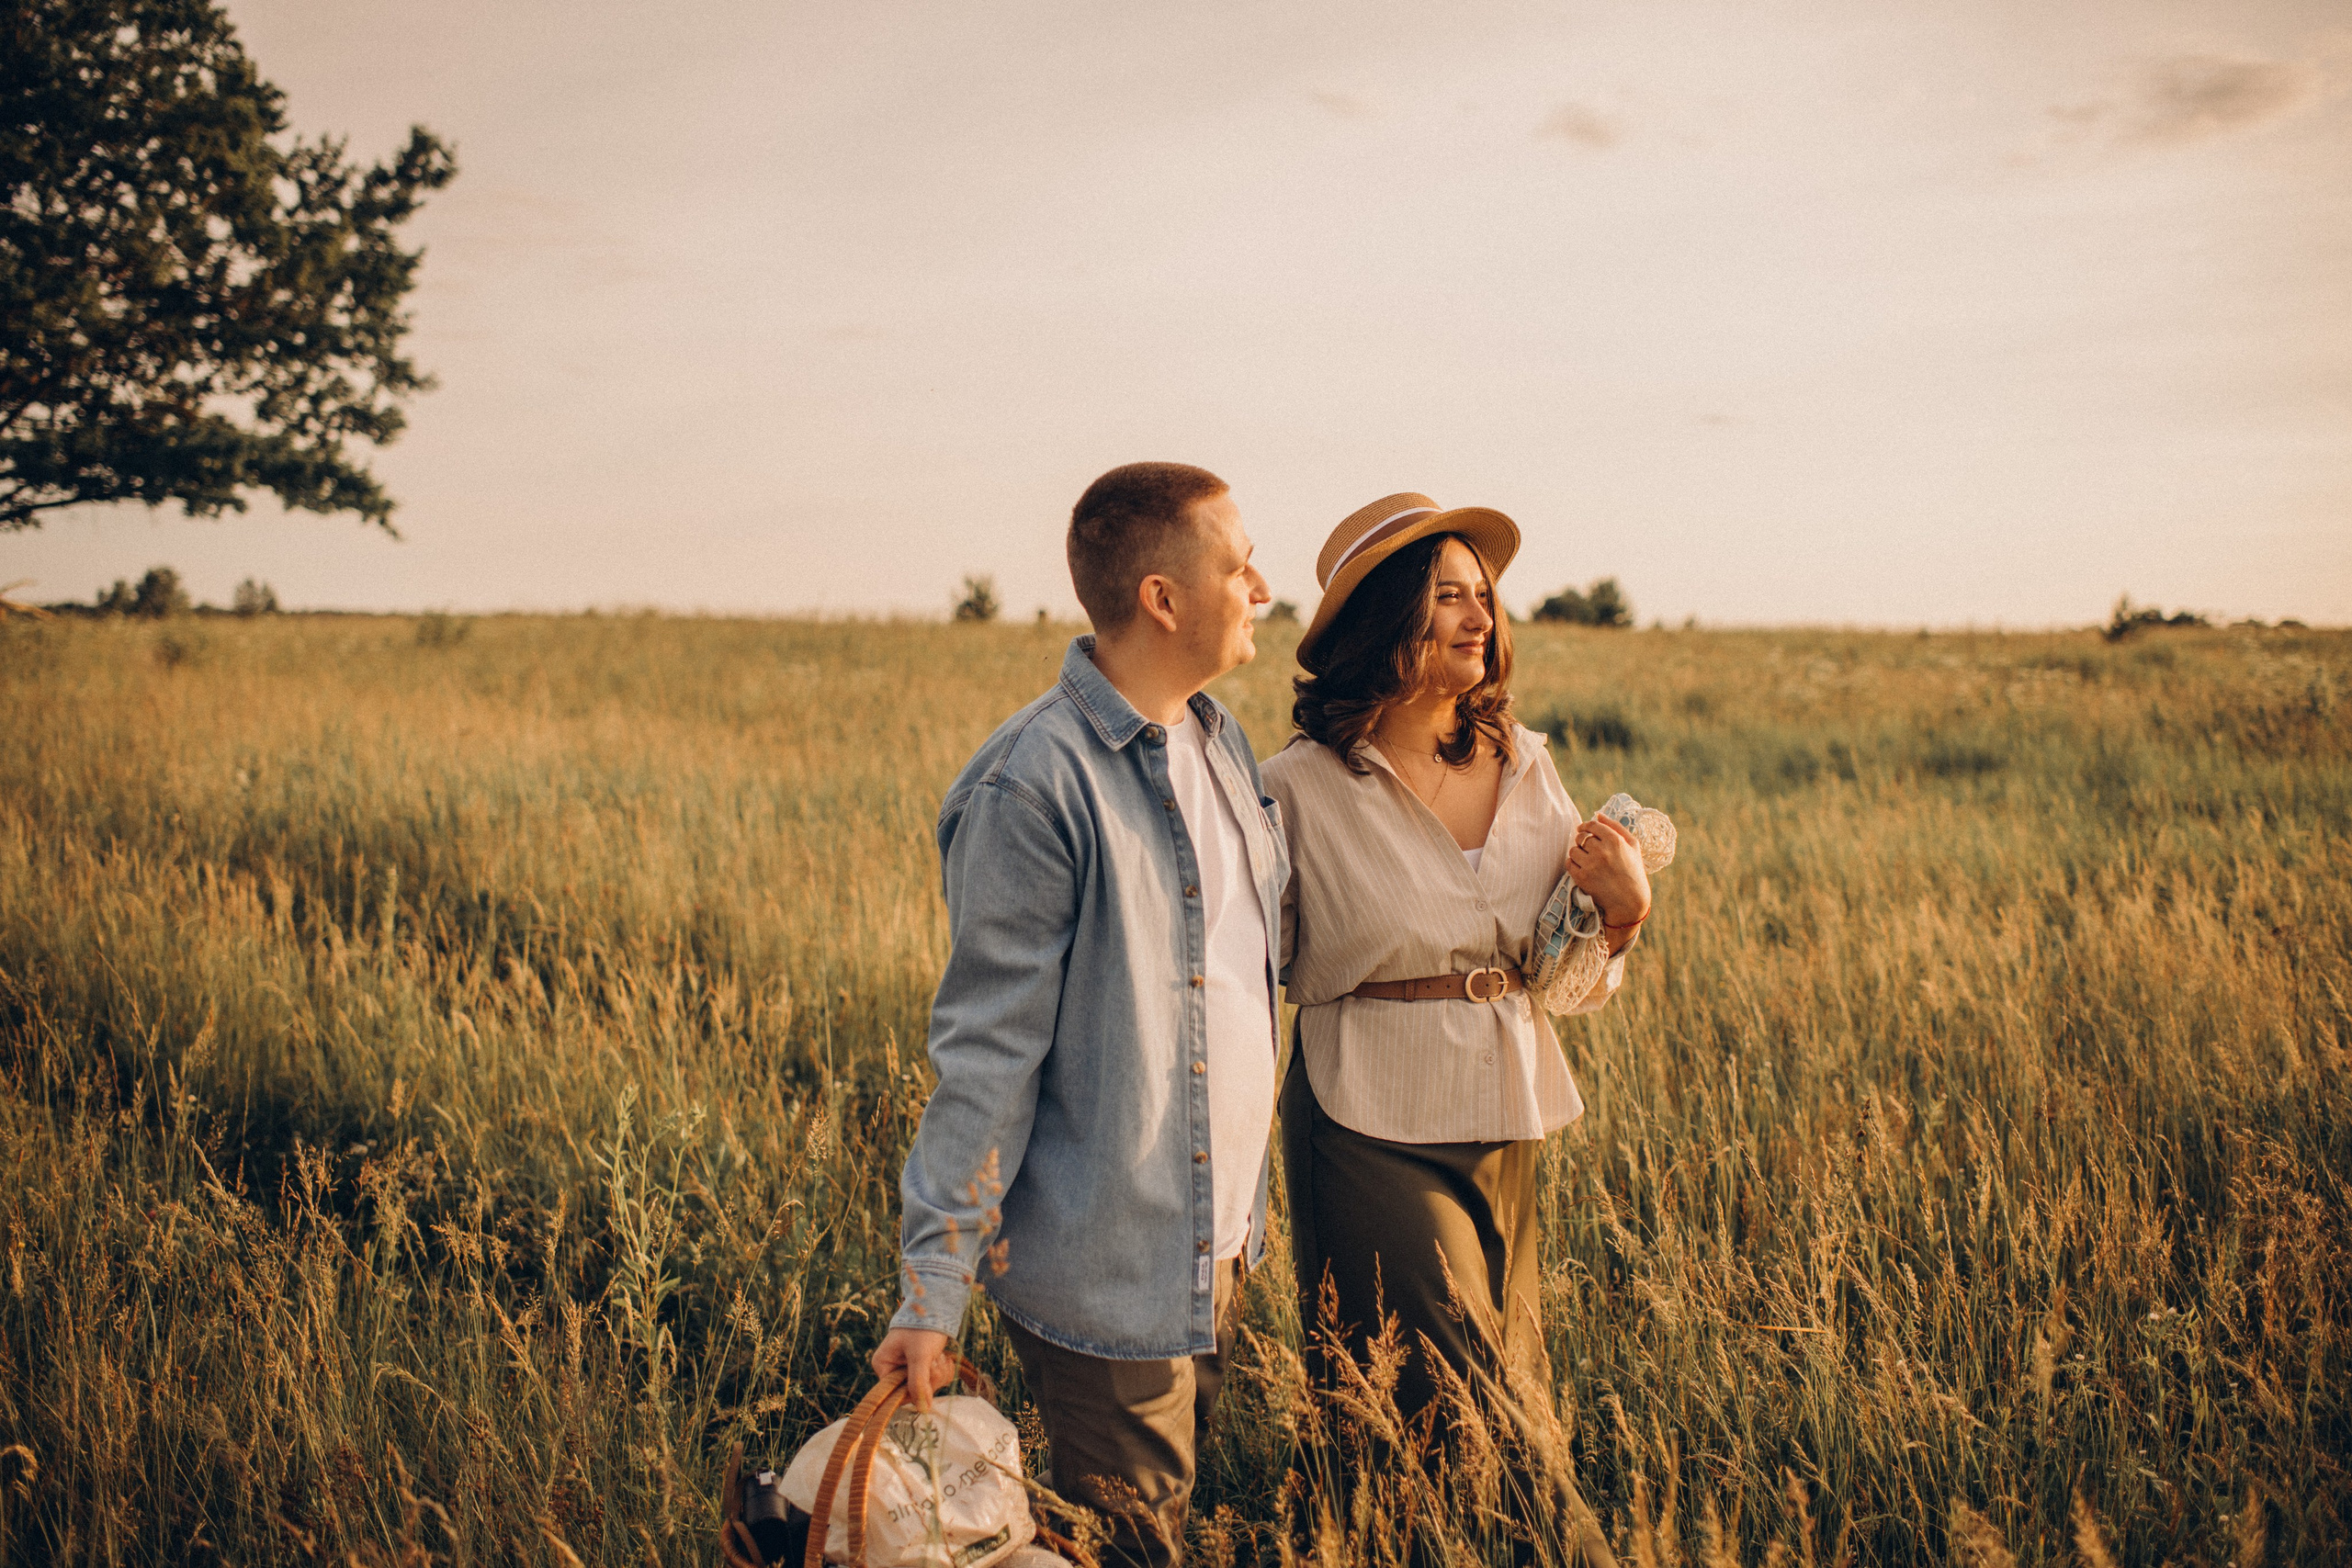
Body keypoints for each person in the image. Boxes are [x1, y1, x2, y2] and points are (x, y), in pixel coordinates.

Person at [871, 462, 1285, 1567]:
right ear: (1162, 596)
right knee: (1135, 1551)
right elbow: (987, 1055)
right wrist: (931, 1289)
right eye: (1236, 563)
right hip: (1110, 1269)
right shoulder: (1030, 785)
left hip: (1216, 1246)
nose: (1259, 584)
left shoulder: (1218, 739)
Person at [1260, 492, 1653, 1426]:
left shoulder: (1525, 763)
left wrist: (1625, 915)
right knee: (1480, 1400)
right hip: (1365, 1115)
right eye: (1447, 597)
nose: (1480, 616)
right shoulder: (1296, 786)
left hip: (1506, 1104)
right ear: (1383, 618)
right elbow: (1243, 963)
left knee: (1481, 1396)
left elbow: (1561, 975)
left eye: (1482, 595)